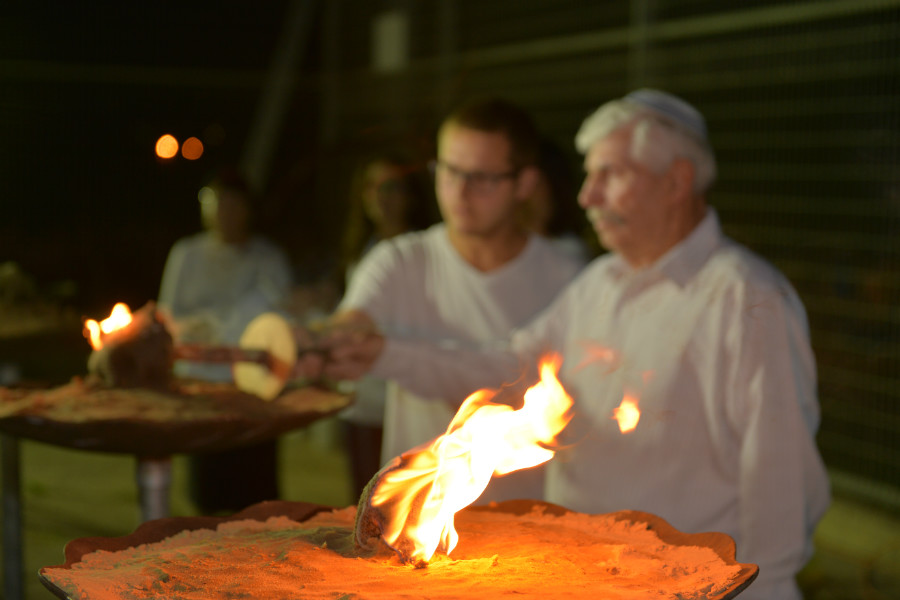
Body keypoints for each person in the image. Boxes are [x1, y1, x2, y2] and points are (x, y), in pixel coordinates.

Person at [320, 89, 830, 599]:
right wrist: (383, 354)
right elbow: (510, 365)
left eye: (611, 174)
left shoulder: (747, 299)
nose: (587, 196)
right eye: (590, 175)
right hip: (587, 578)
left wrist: (767, 587)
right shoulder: (601, 282)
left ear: (677, 181)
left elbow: (781, 482)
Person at [323, 97, 586, 503]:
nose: (460, 192)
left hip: (527, 522)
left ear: (525, 183)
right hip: (417, 522)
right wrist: (321, 343)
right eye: (449, 171)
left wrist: (386, 354)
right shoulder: (401, 260)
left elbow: (512, 375)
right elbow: (352, 323)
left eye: (482, 178)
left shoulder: (566, 277)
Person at [158, 166, 293, 514]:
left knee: (255, 488)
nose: (224, 212)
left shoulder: (268, 257)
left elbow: (282, 318)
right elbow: (168, 316)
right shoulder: (187, 254)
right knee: (208, 489)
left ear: (249, 208)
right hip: (203, 385)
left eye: (234, 204)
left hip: (255, 389)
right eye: (216, 202)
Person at [336, 152, 437, 499]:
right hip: (362, 399)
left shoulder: (427, 252)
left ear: (410, 195)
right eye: (373, 187)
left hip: (406, 396)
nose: (382, 197)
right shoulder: (360, 250)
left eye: (392, 187)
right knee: (363, 502)